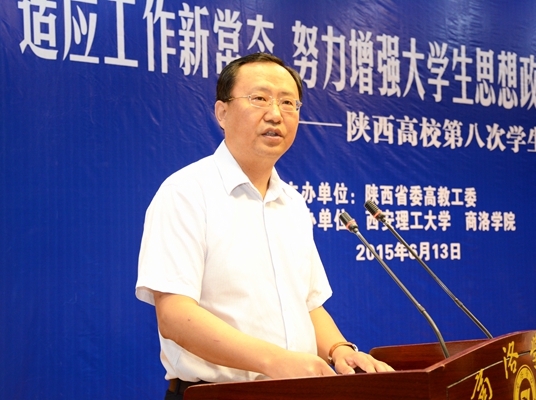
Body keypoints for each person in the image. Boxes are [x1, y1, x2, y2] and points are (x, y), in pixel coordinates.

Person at [136, 52, 393, 400]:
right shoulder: (186, 192)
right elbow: (175, 316)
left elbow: (308, 305)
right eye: (259, 98)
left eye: (288, 102)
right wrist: (276, 361)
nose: (275, 114)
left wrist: (339, 350)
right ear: (222, 112)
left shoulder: (293, 203)